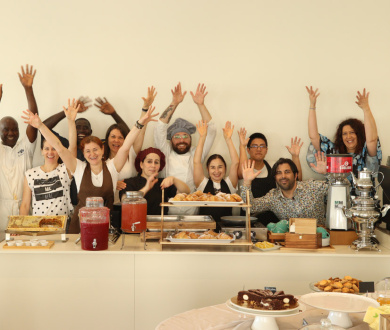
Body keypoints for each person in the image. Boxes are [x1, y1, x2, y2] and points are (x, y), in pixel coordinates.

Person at [22, 101, 158, 234]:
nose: (92, 154)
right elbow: (59, 147)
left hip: (106, 227)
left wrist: (140, 124)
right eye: (87, 151)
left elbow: (126, 146)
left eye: (95, 150)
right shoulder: (79, 168)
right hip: (80, 228)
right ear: (84, 154)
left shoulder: (112, 167)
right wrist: (40, 126)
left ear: (102, 149)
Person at [154, 82, 217, 215]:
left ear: (191, 138)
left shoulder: (197, 153)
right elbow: (160, 127)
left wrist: (201, 105)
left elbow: (211, 130)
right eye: (177, 136)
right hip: (168, 209)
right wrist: (174, 103)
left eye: (185, 136)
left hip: (192, 209)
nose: (181, 140)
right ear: (170, 140)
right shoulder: (165, 153)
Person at [306, 86, 382, 179]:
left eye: (352, 132)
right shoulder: (334, 152)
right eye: (344, 134)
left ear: (359, 134)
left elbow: (372, 140)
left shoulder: (365, 152)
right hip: (336, 193)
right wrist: (312, 106)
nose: (348, 136)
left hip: (363, 194)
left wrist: (366, 109)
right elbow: (314, 137)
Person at [19, 101, 79, 216]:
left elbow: (73, 147)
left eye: (54, 149)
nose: (50, 152)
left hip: (62, 228)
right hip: (39, 230)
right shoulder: (30, 174)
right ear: (41, 151)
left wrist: (71, 121)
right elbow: (25, 205)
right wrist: (20, 228)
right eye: (46, 148)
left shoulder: (65, 170)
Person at [0, 64, 39, 231]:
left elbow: (34, 120)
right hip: (2, 208)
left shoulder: (26, 146)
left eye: (14, 128)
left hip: (25, 207)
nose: (11, 132)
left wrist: (28, 89)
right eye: (6, 129)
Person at [237, 128, 303, 225]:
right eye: (254, 146)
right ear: (248, 150)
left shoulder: (273, 166)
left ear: (267, 150)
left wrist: (295, 156)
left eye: (262, 146)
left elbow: (297, 180)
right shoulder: (246, 168)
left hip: (272, 223)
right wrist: (242, 147)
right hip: (248, 220)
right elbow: (240, 174)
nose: (259, 149)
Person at [103, 86, 158, 204]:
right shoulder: (101, 158)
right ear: (107, 139)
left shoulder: (131, 153)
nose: (116, 141)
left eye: (120, 138)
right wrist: (112, 183)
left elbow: (140, 132)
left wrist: (145, 108)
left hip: (132, 203)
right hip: (110, 205)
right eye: (113, 137)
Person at [240, 158, 328, 225]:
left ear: (295, 175)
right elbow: (250, 207)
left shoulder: (312, 187)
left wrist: (327, 173)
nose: (283, 176)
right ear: (275, 178)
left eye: (287, 172)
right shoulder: (273, 197)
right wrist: (247, 182)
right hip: (291, 243)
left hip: (320, 240)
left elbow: (339, 191)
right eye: (278, 173)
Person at [193, 121, 239, 230]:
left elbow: (235, 162)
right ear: (207, 170)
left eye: (220, 167)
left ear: (225, 168)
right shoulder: (202, 184)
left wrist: (228, 139)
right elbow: (196, 162)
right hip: (204, 230)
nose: (216, 171)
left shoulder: (229, 183)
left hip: (227, 230)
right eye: (212, 167)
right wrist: (202, 137)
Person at [120, 147, 190, 215]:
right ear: (141, 164)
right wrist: (146, 188)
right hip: (135, 224)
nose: (153, 165)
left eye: (156, 162)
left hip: (160, 224)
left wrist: (174, 180)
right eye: (149, 161)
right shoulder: (129, 182)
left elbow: (186, 192)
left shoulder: (162, 183)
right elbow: (126, 203)